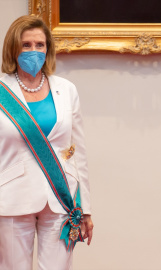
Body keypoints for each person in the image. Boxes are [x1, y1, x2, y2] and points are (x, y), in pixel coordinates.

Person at [0, 15, 93, 269]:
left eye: (39, 45)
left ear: (48, 49)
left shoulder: (66, 89)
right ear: (13, 48)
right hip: (11, 199)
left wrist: (85, 207)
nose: (34, 51)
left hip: (61, 199)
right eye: (26, 45)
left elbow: (78, 153)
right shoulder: (0, 90)